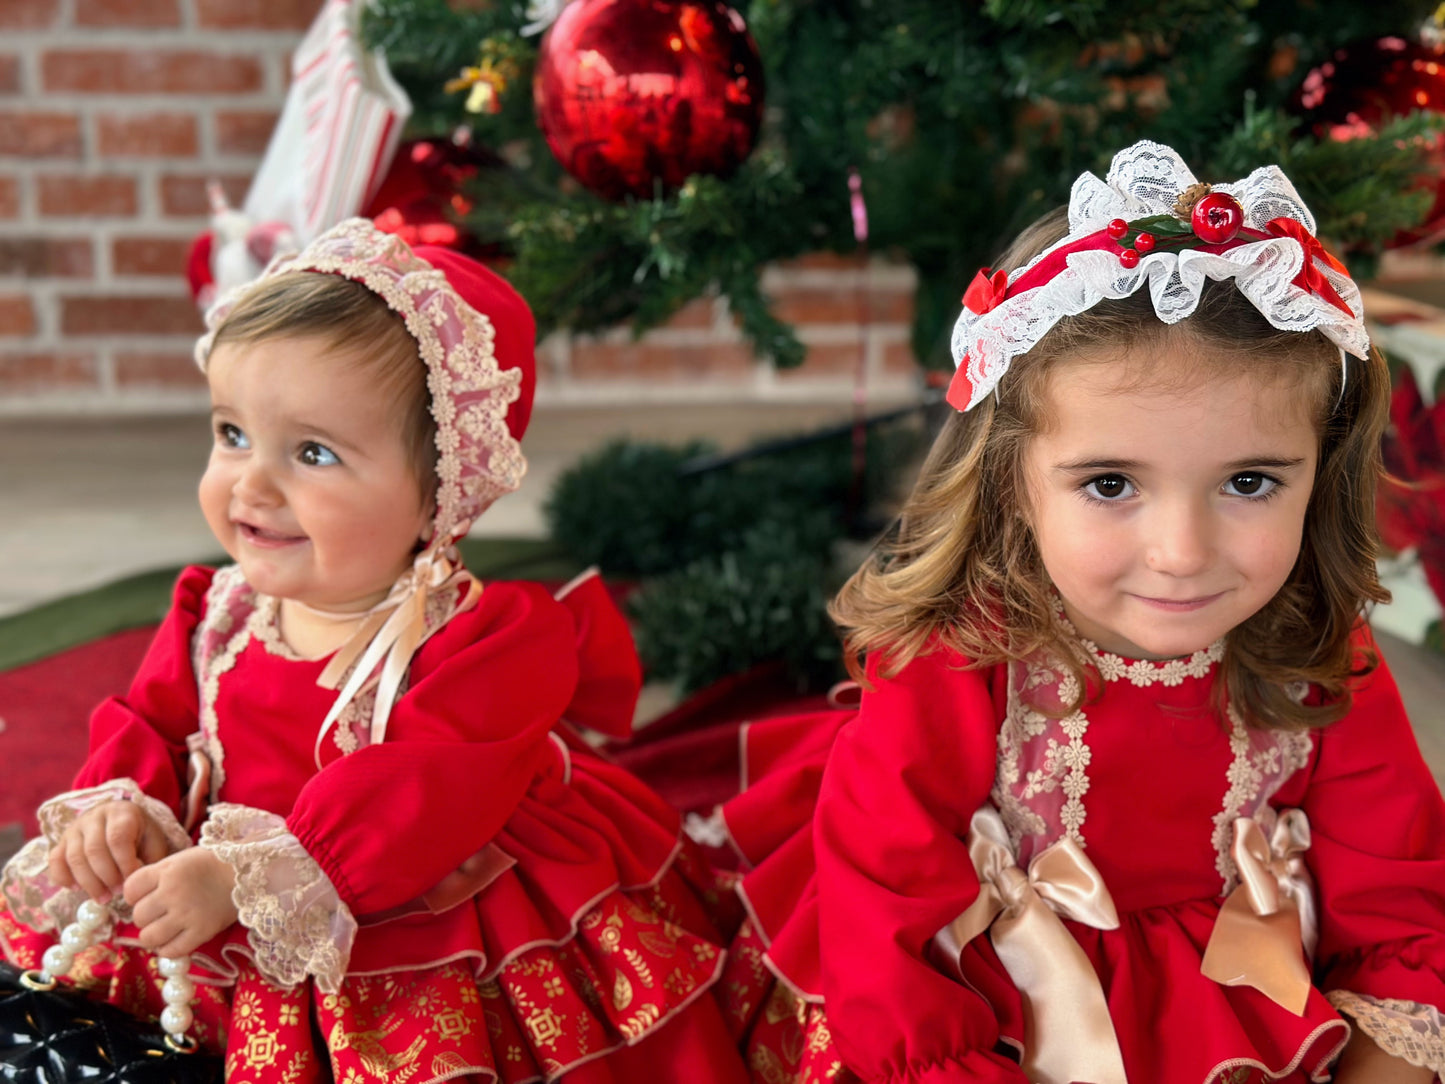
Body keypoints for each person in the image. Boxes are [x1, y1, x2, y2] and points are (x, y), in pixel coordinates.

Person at [708, 141, 1445, 1083]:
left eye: (1249, 481)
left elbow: (1400, 901)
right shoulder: (952, 663)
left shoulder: (1319, 651)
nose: (1180, 552)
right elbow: (887, 933)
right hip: (995, 1007)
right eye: (1109, 483)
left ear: (1322, 472)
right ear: (1012, 482)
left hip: (1237, 1001)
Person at [0, 219, 748, 1084]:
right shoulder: (217, 610)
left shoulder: (483, 638)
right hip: (216, 887)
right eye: (231, 433)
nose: (252, 483)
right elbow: (154, 721)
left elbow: (428, 786)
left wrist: (250, 878)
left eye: (312, 453)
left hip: (413, 893)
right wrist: (121, 811)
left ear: (442, 494)